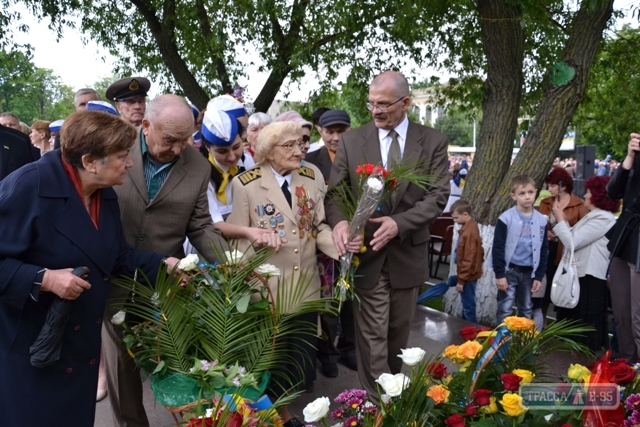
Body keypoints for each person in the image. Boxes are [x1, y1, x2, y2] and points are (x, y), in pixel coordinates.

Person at [0, 110, 181, 426]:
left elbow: (116, 257)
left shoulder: (104, 193)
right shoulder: (28, 186)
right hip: (31, 350)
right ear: (88, 161)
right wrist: (44, 279)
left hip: (78, 351)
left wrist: (166, 265)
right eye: (122, 156)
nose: (129, 163)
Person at [102, 94, 226, 427]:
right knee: (122, 370)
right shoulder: (115, 150)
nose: (178, 148)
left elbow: (200, 224)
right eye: (170, 140)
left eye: (185, 140)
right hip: (112, 280)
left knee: (178, 364)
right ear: (145, 126)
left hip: (165, 284)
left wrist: (230, 261)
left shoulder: (198, 166)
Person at [325, 71, 449, 402]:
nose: (375, 111)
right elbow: (335, 195)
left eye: (383, 104)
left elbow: (437, 196)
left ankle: (391, 395)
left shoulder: (432, 141)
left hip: (407, 254)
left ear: (405, 103)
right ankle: (377, 403)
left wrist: (400, 223)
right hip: (366, 255)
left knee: (397, 336)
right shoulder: (353, 141)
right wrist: (339, 224)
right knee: (372, 337)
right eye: (371, 104)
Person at [227, 121, 341, 427]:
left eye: (300, 143)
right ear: (266, 151)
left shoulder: (312, 176)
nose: (299, 149)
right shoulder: (246, 184)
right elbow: (238, 239)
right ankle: (278, 417)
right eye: (288, 145)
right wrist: (244, 285)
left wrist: (340, 245)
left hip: (305, 287)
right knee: (269, 359)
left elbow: (318, 227)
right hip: (268, 290)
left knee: (298, 356)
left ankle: (284, 410)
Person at [183, 107, 283, 251]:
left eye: (236, 147)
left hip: (246, 241)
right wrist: (248, 232)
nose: (231, 157)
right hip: (210, 247)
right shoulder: (199, 175)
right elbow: (214, 224)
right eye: (222, 151)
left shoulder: (248, 162)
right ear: (207, 146)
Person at [305, 109, 357, 377]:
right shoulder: (309, 161)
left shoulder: (362, 158)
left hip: (357, 242)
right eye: (329, 132)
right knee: (327, 301)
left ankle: (350, 349)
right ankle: (327, 354)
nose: (335, 137)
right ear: (320, 132)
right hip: (324, 243)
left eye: (341, 131)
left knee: (352, 299)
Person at [552, 176, 618, 351]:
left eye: (589, 191)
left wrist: (559, 218)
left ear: (598, 195)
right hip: (582, 276)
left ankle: (583, 365)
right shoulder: (593, 216)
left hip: (590, 278)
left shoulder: (603, 218)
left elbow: (572, 242)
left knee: (586, 329)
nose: (585, 195)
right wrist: (562, 219)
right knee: (575, 326)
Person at [534, 167, 588, 328]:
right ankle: (542, 322)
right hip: (545, 249)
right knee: (543, 288)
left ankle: (561, 325)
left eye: (552, 186)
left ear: (563, 186)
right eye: (548, 186)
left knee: (559, 285)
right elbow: (535, 223)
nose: (549, 189)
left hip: (564, 252)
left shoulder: (578, 204)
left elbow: (581, 229)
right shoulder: (545, 202)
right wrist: (546, 232)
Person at [493, 175, 548, 324]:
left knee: (526, 309)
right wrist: (500, 274)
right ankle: (503, 343)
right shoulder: (506, 218)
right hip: (510, 271)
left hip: (529, 273)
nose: (527, 197)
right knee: (505, 308)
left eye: (530, 192)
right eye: (522, 193)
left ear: (536, 192)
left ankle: (522, 344)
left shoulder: (541, 220)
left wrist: (539, 276)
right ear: (513, 196)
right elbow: (498, 247)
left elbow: (543, 249)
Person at [416, 199, 483, 323]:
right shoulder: (469, 228)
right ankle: (418, 300)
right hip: (466, 273)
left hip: (467, 275)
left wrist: (461, 281)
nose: (454, 221)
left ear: (465, 214)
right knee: (450, 287)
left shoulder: (469, 233)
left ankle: (472, 330)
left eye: (456, 218)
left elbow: (469, 259)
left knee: (468, 305)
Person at [606, 132, 640, 361]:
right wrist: (629, 156)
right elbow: (612, 192)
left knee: (638, 316)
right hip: (625, 237)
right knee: (621, 312)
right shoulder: (635, 158)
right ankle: (628, 369)